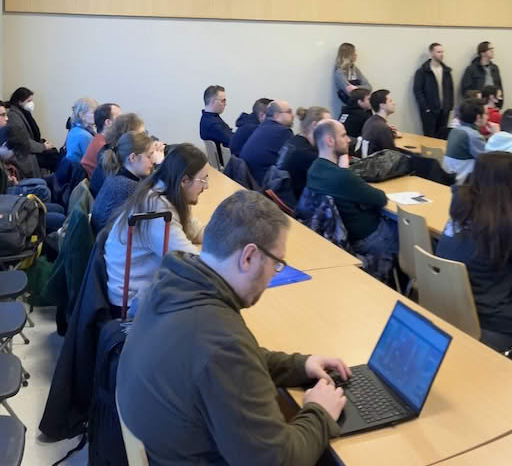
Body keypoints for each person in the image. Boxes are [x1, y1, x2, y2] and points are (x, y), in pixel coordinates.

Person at [117, 190, 348, 463]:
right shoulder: (220, 340)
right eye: (276, 264)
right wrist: (318, 412)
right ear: (249, 257)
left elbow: (232, 361)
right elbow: (278, 461)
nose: (274, 275)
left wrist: (300, 366)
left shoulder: (172, 284)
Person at [437, 151, 512, 356]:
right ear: (507, 183)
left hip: (455, 306)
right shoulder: (507, 221)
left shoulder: (460, 203)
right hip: (491, 319)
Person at [105, 144, 209, 311]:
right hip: (132, 305)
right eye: (203, 180)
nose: (206, 186)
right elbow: (190, 263)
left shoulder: (163, 191)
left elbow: (194, 231)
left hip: (144, 290)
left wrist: (230, 240)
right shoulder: (157, 210)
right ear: (184, 181)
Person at [306, 120, 391, 244]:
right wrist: (345, 171)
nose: (349, 140)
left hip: (341, 236)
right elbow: (381, 199)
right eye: (343, 135)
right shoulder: (342, 176)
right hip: (369, 238)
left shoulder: (313, 169)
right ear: (330, 141)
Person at [91, 132, 162, 236]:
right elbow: (159, 203)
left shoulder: (116, 176)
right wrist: (160, 166)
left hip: (103, 241)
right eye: (149, 156)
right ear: (132, 158)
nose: (153, 161)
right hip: (108, 247)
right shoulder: (129, 187)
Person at [239, 99, 295, 185]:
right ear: (277, 115)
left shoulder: (263, 127)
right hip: (263, 186)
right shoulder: (283, 132)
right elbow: (291, 163)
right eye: (289, 112)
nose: (293, 115)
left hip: (250, 181)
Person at [278, 106, 329, 197]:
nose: (331, 129)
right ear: (314, 125)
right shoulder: (307, 153)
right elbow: (331, 180)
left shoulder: (294, 140)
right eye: (328, 125)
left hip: (286, 196)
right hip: (298, 202)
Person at [6, 86, 56, 178]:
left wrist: (43, 143)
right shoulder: (13, 116)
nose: (31, 103)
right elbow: (23, 141)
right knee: (53, 157)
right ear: (20, 102)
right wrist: (43, 146)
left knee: (53, 152)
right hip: (23, 154)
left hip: (30, 148)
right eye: (28, 101)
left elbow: (32, 135)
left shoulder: (24, 112)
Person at [92, 112, 146, 195]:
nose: (145, 138)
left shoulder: (110, 149)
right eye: (141, 135)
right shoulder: (118, 161)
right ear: (128, 136)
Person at [411, 42, 455, 139]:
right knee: (429, 137)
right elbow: (417, 90)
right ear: (431, 53)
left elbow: (450, 89)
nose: (441, 54)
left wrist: (449, 106)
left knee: (442, 137)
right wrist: (425, 108)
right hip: (429, 111)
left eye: (442, 52)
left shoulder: (446, 71)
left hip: (444, 110)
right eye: (438, 52)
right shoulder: (422, 71)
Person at [444, 100, 491, 178]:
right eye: (486, 114)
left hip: (450, 177)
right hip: (463, 181)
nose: (488, 117)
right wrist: (497, 134)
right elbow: (489, 160)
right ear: (478, 117)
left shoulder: (455, 130)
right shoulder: (473, 135)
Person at [80, 101, 120, 175]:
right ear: (108, 122)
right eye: (119, 119)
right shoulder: (103, 147)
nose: (122, 122)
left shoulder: (98, 140)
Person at [332, 42, 368, 113]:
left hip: (361, 106)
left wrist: (356, 88)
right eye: (354, 53)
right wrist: (360, 88)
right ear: (348, 55)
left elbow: (369, 87)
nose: (356, 55)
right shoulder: (339, 72)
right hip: (351, 108)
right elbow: (350, 93)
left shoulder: (354, 69)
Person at [360, 88, 398, 155]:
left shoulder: (370, 121)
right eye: (390, 101)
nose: (394, 103)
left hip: (369, 162)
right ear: (382, 105)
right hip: (379, 164)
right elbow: (392, 155)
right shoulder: (382, 127)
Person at [64, 97, 99, 162]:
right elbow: (94, 163)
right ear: (82, 115)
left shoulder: (75, 130)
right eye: (94, 113)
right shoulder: (83, 135)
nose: (97, 115)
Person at [199, 85, 233, 150]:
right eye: (223, 101)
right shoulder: (213, 125)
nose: (225, 104)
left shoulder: (207, 118)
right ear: (213, 102)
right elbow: (233, 142)